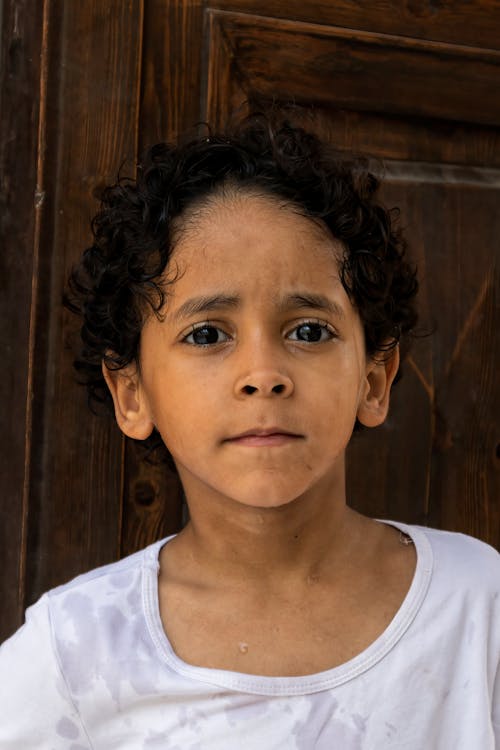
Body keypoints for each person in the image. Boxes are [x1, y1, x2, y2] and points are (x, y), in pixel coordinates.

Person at [0, 115, 498, 749]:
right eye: (207, 334)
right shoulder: (75, 650)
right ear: (133, 393)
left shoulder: (478, 605)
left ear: (374, 380)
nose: (263, 375)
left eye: (308, 331)